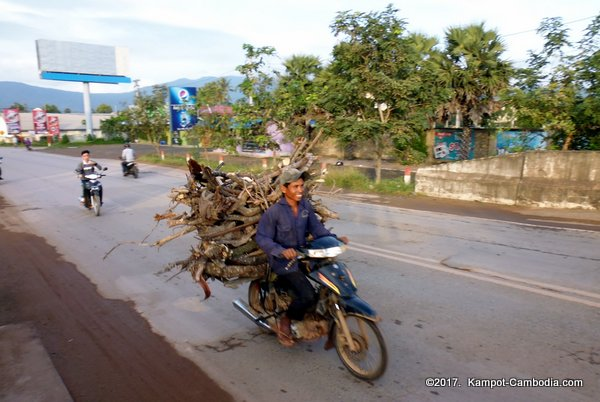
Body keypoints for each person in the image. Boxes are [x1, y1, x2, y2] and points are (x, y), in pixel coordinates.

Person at [255, 167, 349, 347]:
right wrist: (280, 250)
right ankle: (285, 320)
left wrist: (335, 240)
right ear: (284, 189)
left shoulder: (305, 206)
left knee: (330, 281)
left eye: (301, 186)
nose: (300, 190)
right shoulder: (274, 212)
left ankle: (320, 316)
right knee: (307, 296)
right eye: (295, 187)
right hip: (284, 261)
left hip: (305, 256)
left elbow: (317, 229)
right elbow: (262, 237)